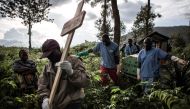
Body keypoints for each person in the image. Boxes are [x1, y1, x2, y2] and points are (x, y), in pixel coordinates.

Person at [37, 39, 90, 109]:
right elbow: (42, 85)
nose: (49, 57)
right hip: (54, 104)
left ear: (58, 50)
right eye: (47, 55)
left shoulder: (74, 61)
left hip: (72, 103)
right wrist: (45, 98)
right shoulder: (47, 67)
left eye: (51, 54)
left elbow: (85, 82)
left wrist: (71, 72)